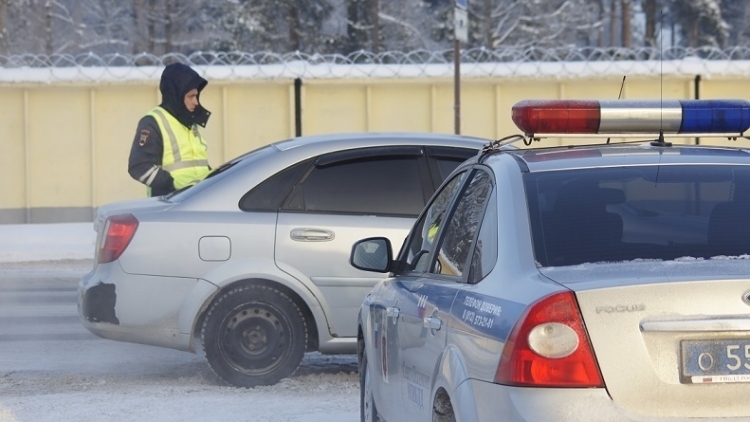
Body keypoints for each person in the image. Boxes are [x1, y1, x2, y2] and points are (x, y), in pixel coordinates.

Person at [128, 63, 212, 197]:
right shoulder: (154, 122)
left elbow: (197, 164)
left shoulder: (190, 122)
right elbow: (139, 166)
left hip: (198, 200)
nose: (196, 102)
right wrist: (171, 185)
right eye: (191, 96)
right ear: (176, 96)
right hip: (168, 204)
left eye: (196, 96)